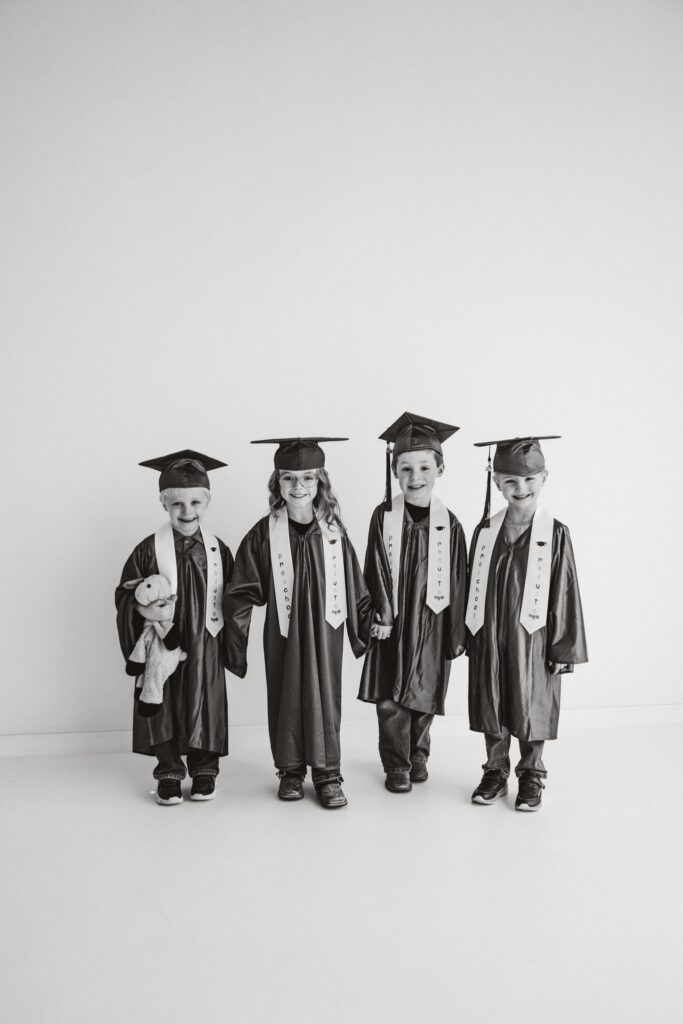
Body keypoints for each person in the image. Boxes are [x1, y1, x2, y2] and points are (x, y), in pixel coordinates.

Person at [223, 437, 372, 809]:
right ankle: (290, 770)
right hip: (283, 633)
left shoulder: (335, 533)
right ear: (277, 482)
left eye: (307, 477)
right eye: (288, 477)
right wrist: (232, 640)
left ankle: (327, 773)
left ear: (321, 481)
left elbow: (356, 588)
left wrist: (371, 625)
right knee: (285, 691)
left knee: (325, 693)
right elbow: (242, 588)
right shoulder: (264, 533)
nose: (298, 486)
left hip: (326, 632)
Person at [466, 436, 588, 811]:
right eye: (511, 481)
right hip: (490, 633)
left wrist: (563, 647)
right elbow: (470, 585)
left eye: (530, 479)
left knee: (531, 700)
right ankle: (495, 770)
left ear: (544, 478)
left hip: (534, 639)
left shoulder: (555, 533)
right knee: (492, 699)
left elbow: (566, 590)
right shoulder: (485, 532)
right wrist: (467, 634)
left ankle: (531, 773)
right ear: (496, 482)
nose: (521, 488)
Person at [115, 449, 233, 805]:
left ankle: (204, 769)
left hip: (205, 641)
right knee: (161, 699)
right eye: (177, 504)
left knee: (205, 699)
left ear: (207, 501)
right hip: (161, 645)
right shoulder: (148, 549)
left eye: (195, 502)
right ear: (163, 504)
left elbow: (236, 597)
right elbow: (125, 595)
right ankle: (168, 771)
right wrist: (142, 608)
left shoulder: (218, 550)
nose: (187, 511)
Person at [358, 412, 468, 792]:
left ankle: (418, 753)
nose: (415, 476)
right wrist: (382, 614)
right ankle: (396, 764)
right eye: (405, 468)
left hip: (432, 623)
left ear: (440, 469)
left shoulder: (450, 524)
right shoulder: (383, 516)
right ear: (394, 472)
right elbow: (374, 566)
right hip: (391, 622)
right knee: (390, 698)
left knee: (425, 691)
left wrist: (456, 633)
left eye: (424, 467)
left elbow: (458, 581)